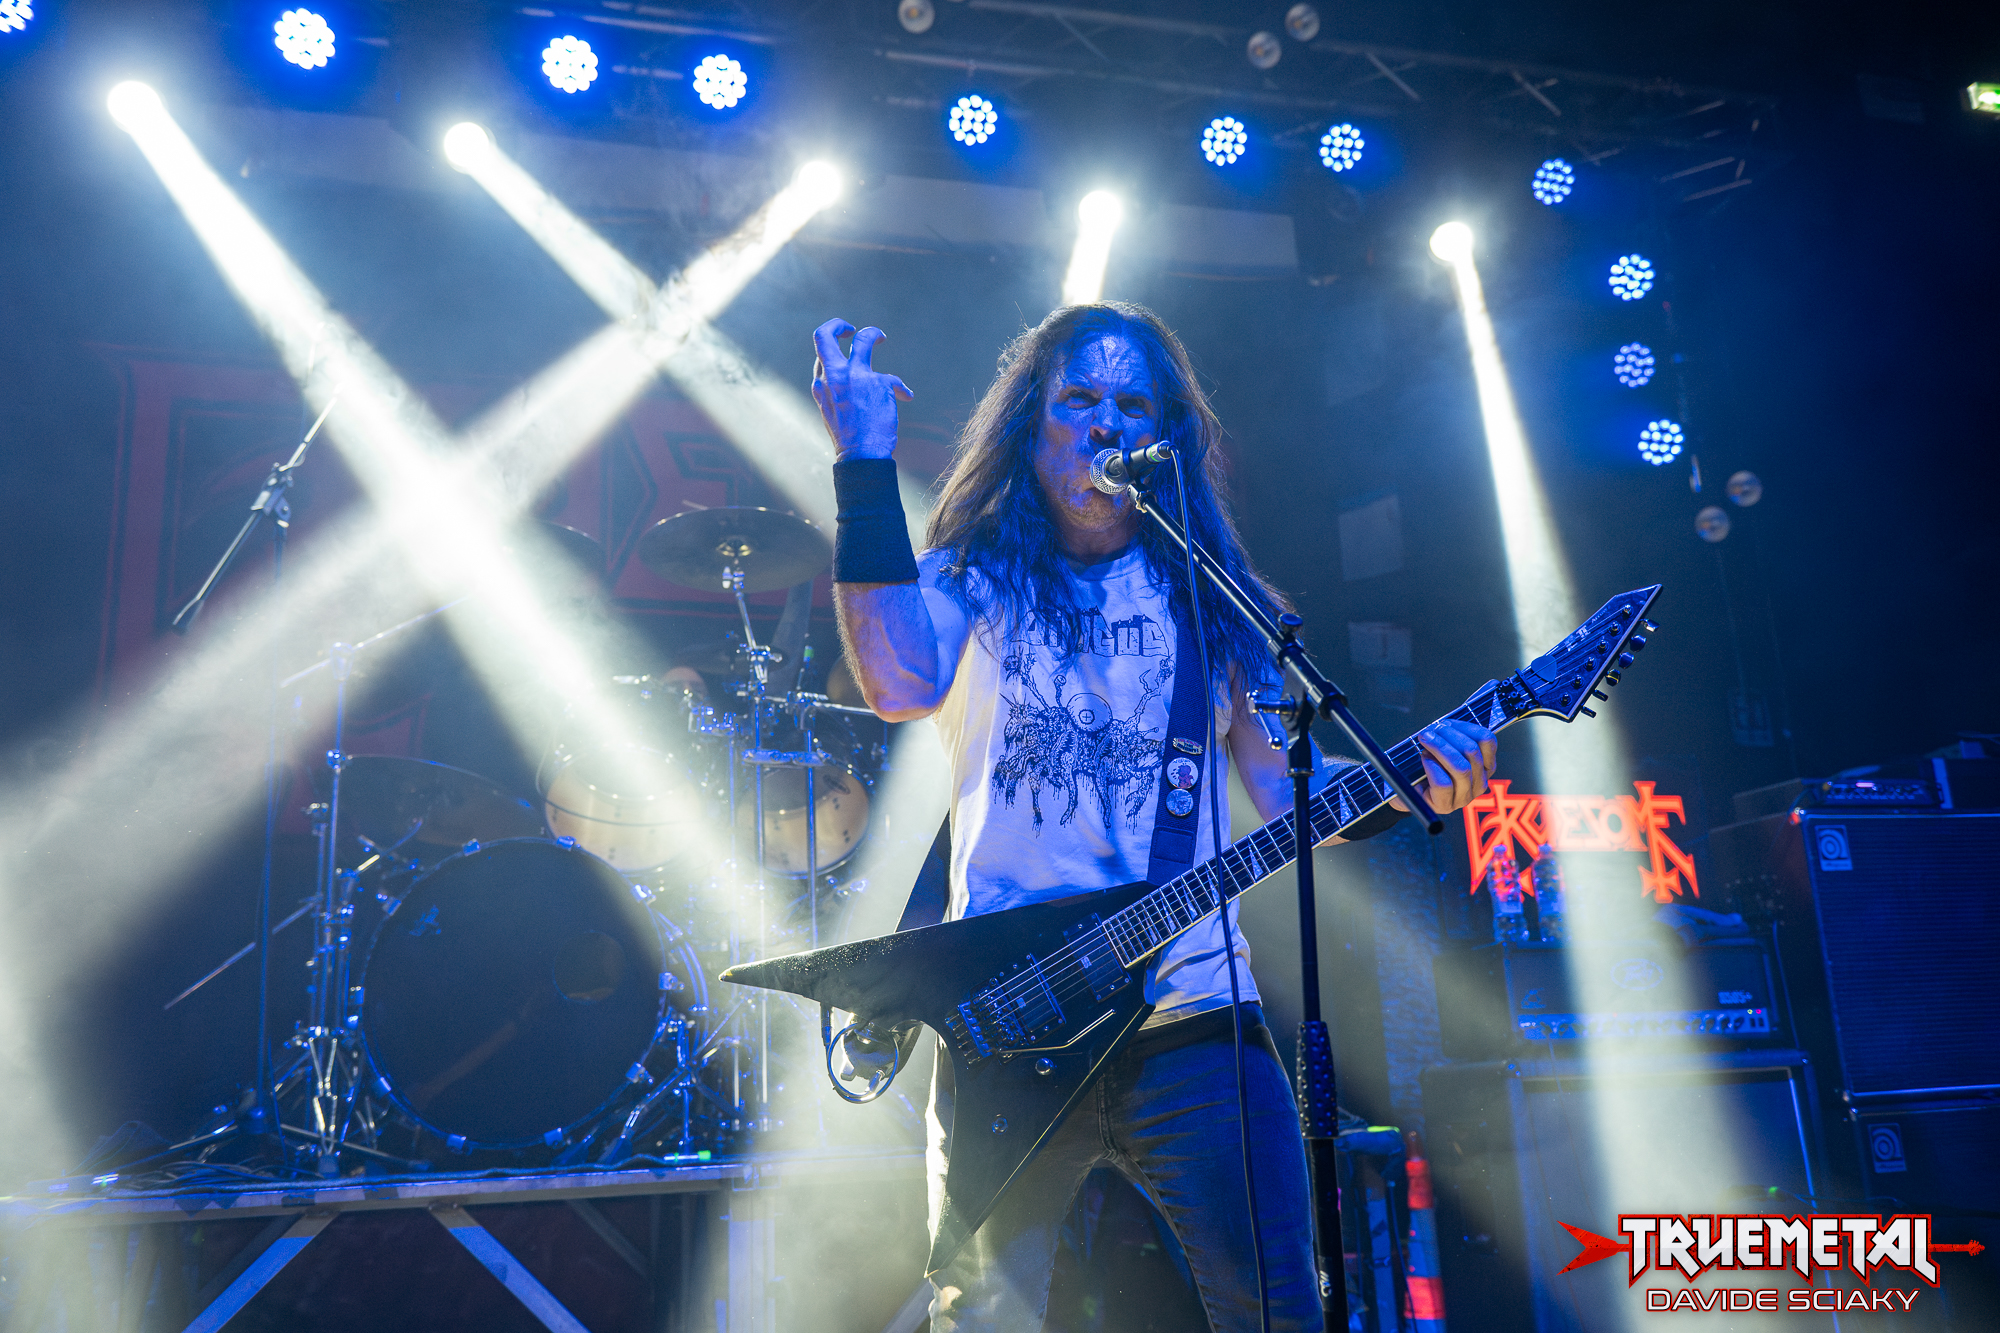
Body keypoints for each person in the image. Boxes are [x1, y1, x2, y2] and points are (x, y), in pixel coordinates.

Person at [811, 302, 1498, 1333]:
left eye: (1132, 405)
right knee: (983, 1316)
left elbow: (1286, 788)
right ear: (1030, 426)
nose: (1105, 423)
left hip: (1194, 1023)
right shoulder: (971, 578)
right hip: (1013, 1022)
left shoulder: (1220, 600)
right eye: (1078, 399)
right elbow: (896, 680)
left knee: (1276, 1309)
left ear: (1164, 437)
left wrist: (1411, 787)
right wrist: (863, 463)